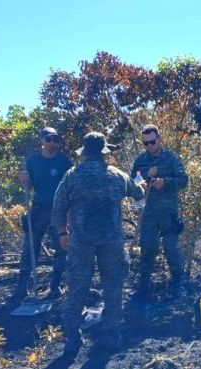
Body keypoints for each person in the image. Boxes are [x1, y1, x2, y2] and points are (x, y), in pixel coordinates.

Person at [51, 132, 145, 354]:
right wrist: (141, 205)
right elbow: (139, 193)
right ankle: (111, 335)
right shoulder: (117, 176)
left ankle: (72, 338)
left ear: (84, 153)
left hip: (80, 240)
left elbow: (58, 206)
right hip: (111, 240)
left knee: (77, 287)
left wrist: (62, 234)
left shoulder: (72, 176)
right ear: (104, 153)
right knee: (113, 287)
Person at [12, 127, 72, 301]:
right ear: (42, 140)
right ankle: (22, 288)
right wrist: (23, 180)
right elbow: (28, 186)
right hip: (38, 209)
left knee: (62, 248)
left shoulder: (64, 161)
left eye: (55, 139)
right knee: (30, 248)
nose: (52, 143)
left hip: (58, 210)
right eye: (49, 139)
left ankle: (55, 287)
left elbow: (70, 186)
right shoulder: (32, 161)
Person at [130, 124, 188, 298]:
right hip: (148, 214)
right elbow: (134, 182)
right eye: (145, 143)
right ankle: (143, 287)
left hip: (168, 213)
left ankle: (178, 285)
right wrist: (145, 178)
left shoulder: (171, 158)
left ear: (159, 140)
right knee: (148, 247)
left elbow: (183, 180)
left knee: (171, 249)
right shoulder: (140, 160)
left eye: (152, 142)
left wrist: (165, 182)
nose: (149, 146)